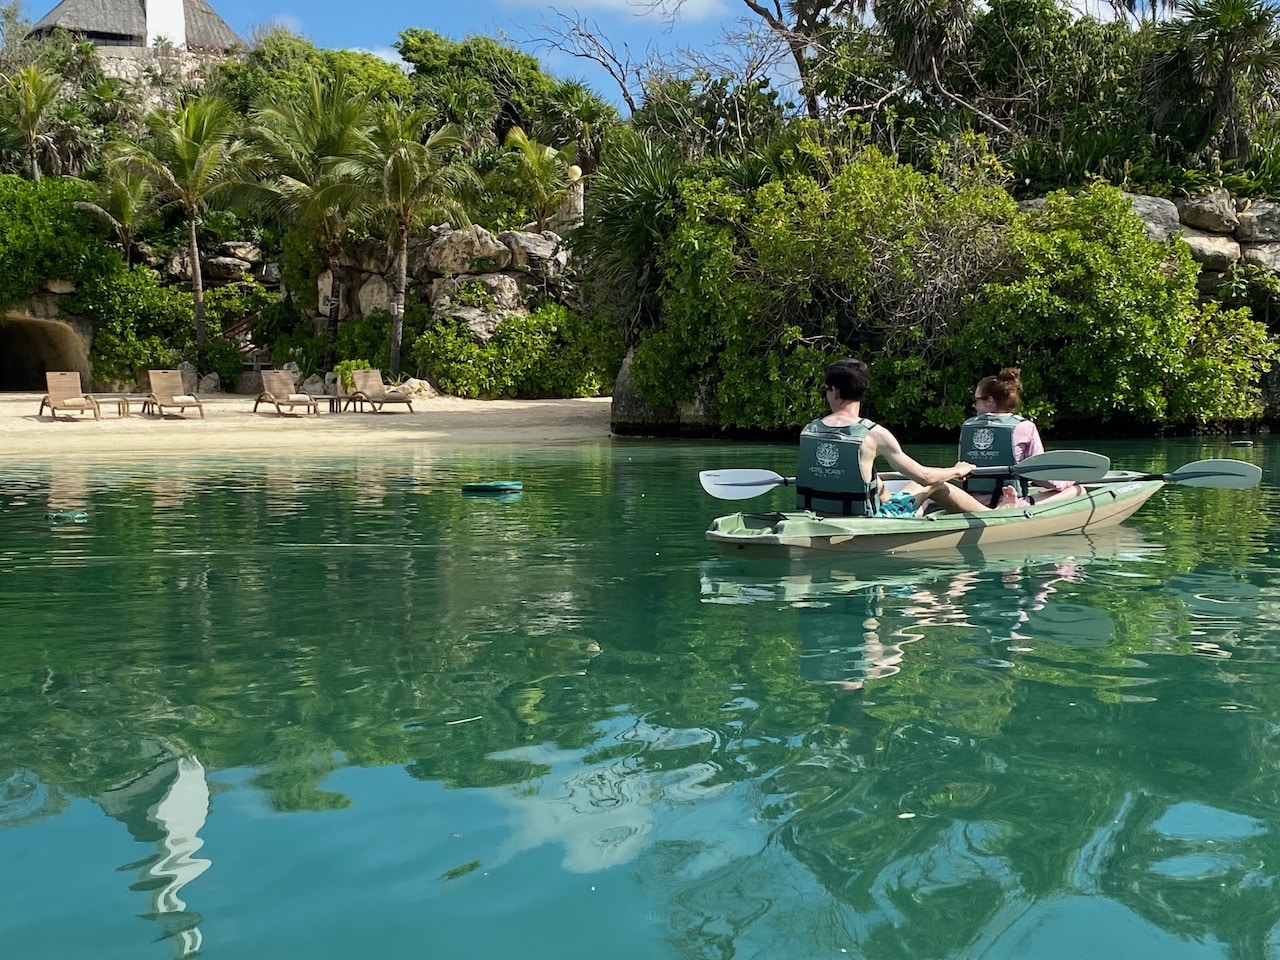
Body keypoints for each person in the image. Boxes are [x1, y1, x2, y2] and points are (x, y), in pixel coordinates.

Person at [796, 359, 973, 518]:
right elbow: (925, 477)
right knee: (933, 485)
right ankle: (993, 516)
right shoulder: (875, 435)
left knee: (875, 479)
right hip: (867, 521)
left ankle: (917, 509)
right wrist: (956, 471)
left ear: (834, 392)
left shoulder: (809, 430)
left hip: (818, 516)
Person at [928, 367, 1083, 514]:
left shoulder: (968, 426)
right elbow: (1039, 475)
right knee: (1077, 490)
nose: (974, 405)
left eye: (976, 400)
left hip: (971, 501)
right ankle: (1022, 509)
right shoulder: (1025, 427)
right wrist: (1067, 482)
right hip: (1010, 500)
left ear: (989, 400)